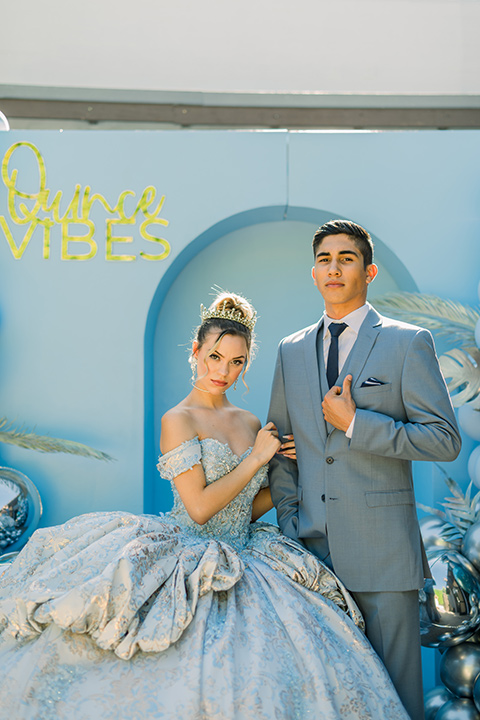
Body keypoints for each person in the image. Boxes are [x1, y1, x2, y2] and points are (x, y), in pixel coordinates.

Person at [0, 291, 410, 720]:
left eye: (236, 362)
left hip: (250, 552)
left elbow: (245, 508)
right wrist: (256, 458)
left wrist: (301, 471)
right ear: (196, 352)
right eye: (215, 357)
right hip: (189, 550)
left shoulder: (251, 422)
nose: (223, 371)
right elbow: (198, 508)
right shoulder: (178, 419)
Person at [267, 220, 462, 720]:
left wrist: (358, 423)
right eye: (325, 259)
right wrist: (290, 521)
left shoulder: (406, 342)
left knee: (395, 700)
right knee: (323, 697)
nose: (334, 267)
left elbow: (444, 440)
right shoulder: (290, 350)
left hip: (384, 555)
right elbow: (282, 448)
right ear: (314, 273)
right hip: (310, 555)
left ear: (369, 270)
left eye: (346, 258)